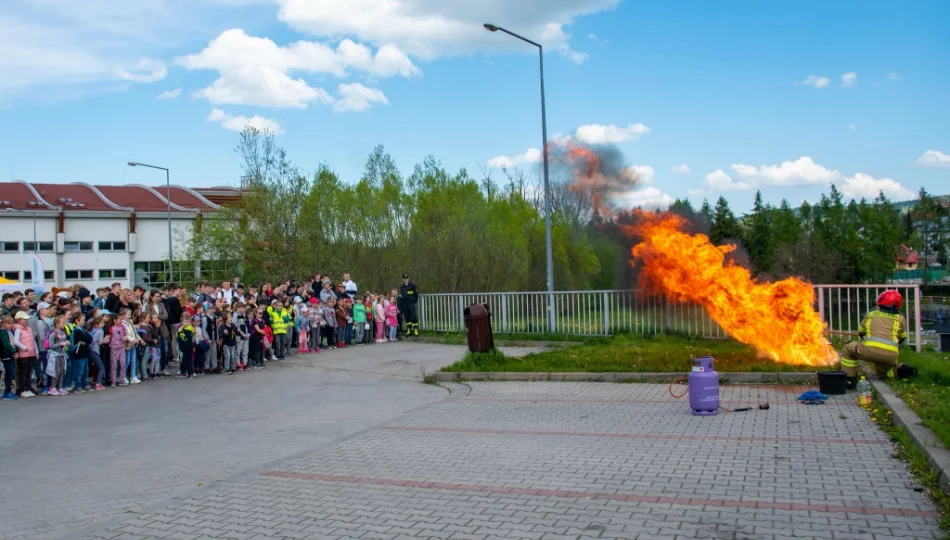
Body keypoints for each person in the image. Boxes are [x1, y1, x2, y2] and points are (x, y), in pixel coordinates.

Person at [840, 290, 917, 389]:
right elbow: (902, 337)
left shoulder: (871, 315)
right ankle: (900, 370)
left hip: (869, 352)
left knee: (847, 348)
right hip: (890, 356)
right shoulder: (900, 318)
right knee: (883, 374)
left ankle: (850, 380)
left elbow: (861, 332)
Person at [12, 311, 38, 397]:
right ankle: (22, 390)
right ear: (19, 320)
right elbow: (16, 341)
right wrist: (24, 348)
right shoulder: (18, 329)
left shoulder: (28, 328)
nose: (26, 321)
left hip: (31, 353)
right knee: (23, 373)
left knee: (28, 373)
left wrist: (36, 351)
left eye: (26, 319)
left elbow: (33, 340)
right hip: (23, 354)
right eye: (24, 319)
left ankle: (28, 388)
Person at [108, 313, 128, 387]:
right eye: (119, 319)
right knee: (114, 365)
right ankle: (113, 380)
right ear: (114, 320)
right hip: (114, 348)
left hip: (121, 347)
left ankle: (122, 378)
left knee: (123, 364)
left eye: (121, 319)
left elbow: (125, 334)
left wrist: (125, 337)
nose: (120, 321)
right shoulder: (111, 328)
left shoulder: (122, 327)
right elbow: (109, 337)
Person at [2, 315, 18, 400]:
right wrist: (13, 351)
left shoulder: (10, 332)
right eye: (9, 323)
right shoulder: (2, 332)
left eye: (12, 323)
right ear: (3, 323)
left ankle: (8, 391)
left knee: (11, 373)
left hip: (10, 355)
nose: (11, 325)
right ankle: (6, 392)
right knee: (10, 373)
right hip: (6, 355)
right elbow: (6, 344)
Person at [176, 314, 196, 379]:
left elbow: (187, 337)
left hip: (188, 346)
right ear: (182, 321)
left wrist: (180, 332)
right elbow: (177, 337)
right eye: (184, 322)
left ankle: (188, 373)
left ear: (190, 322)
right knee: (182, 359)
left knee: (188, 360)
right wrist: (179, 331)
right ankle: (185, 372)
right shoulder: (180, 327)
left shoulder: (190, 329)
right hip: (182, 346)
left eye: (187, 322)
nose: (186, 323)